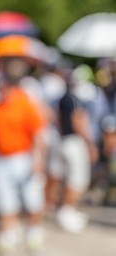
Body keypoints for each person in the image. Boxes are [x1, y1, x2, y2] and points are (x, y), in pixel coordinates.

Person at [0, 75, 47, 253]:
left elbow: (37, 133)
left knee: (32, 199)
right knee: (5, 200)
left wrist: (38, 159)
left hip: (23, 157)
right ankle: (8, 236)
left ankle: (34, 233)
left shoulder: (24, 104)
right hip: (1, 159)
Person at [56, 74, 99, 234]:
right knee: (77, 180)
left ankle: (67, 210)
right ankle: (67, 212)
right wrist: (89, 143)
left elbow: (59, 120)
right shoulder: (74, 100)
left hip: (65, 141)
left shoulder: (64, 98)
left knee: (69, 179)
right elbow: (77, 120)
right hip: (74, 142)